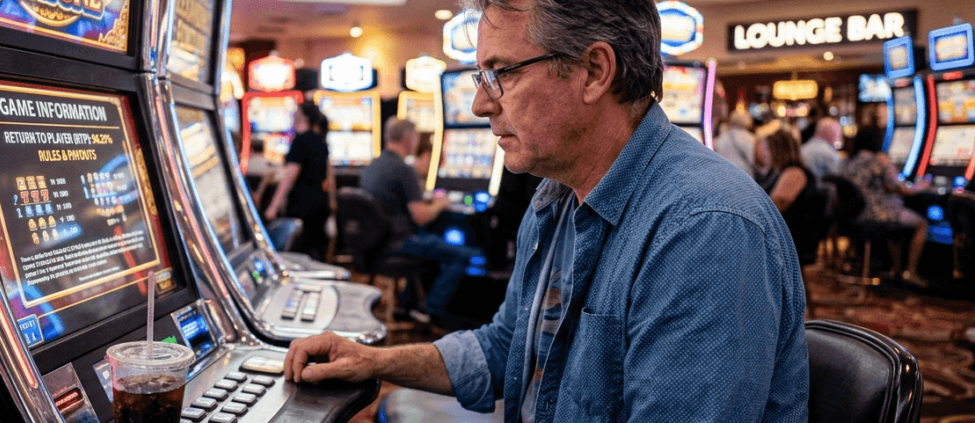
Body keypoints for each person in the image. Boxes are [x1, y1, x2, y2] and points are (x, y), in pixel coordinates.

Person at [286, 1, 809, 421]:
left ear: (593, 71)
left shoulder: (704, 230)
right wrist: (377, 362)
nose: (479, 105)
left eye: (501, 73)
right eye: (480, 77)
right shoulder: (553, 199)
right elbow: (508, 347)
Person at [359, 117, 481, 318]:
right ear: (408, 138)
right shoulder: (403, 169)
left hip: (373, 245)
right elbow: (421, 217)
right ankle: (431, 310)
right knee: (464, 254)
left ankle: (411, 304)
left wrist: (427, 198)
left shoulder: (374, 165)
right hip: (397, 244)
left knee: (433, 242)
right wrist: (440, 204)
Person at [841, 126, 928, 287]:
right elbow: (901, 188)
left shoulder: (847, 160)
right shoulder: (878, 160)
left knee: (896, 213)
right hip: (876, 214)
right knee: (921, 223)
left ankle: (895, 269)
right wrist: (923, 186)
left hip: (850, 216)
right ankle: (910, 271)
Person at [265, 101, 334, 261]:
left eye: (296, 111)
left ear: (303, 116)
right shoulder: (320, 140)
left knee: (298, 253)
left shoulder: (300, 141)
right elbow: (330, 175)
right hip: (320, 203)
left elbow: (290, 176)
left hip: (302, 203)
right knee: (315, 253)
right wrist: (332, 202)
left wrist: (273, 206)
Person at [764, 130, 827, 265]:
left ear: (778, 151)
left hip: (795, 237)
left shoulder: (794, 173)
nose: (766, 154)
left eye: (768, 149)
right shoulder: (785, 171)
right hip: (791, 232)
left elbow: (775, 207)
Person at [713, 110, 757, 178]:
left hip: (724, 176)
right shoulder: (750, 138)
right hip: (745, 178)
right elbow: (753, 161)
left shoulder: (721, 138)